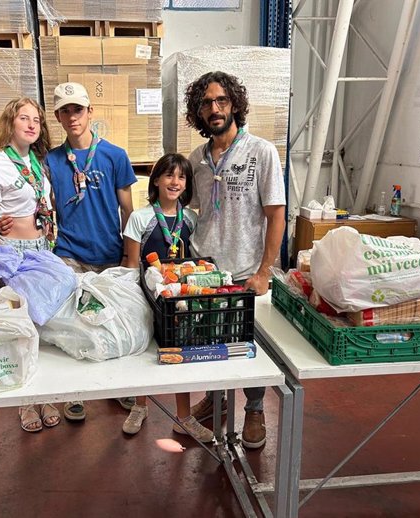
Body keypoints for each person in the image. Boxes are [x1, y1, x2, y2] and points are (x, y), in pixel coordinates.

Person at [0, 82, 138, 421]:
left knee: (114, 322)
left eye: (78, 109)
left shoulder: (115, 156)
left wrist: (128, 257)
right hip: (69, 255)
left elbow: (129, 211)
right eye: (65, 111)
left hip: (109, 254)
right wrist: (8, 220)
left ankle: (121, 388)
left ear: (90, 112)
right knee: (73, 328)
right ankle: (76, 393)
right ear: (57, 118)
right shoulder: (50, 162)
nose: (72, 116)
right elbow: (39, 204)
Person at [184, 71, 286, 449]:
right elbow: (191, 210)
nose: (214, 109)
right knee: (210, 339)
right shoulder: (196, 158)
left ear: (234, 105)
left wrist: (264, 272)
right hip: (206, 270)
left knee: (248, 344)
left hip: (245, 271)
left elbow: (276, 213)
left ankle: (255, 409)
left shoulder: (261, 152)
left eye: (221, 101)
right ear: (199, 112)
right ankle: (215, 400)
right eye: (206, 103)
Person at [0, 97, 61, 433]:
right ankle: (25, 403)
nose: (31, 125)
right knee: (18, 329)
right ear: (10, 123)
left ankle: (46, 394)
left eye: (36, 120)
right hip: (14, 252)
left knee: (41, 324)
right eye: (24, 118)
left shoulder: (38, 163)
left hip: (42, 248)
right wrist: (0, 263)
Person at [120, 153, 213, 443]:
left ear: (187, 184)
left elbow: (193, 260)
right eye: (169, 175)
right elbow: (132, 263)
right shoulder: (140, 218)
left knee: (179, 352)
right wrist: (133, 296)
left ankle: (183, 418)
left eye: (181, 177)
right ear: (157, 180)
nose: (175, 182)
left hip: (178, 297)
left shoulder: (191, 218)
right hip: (147, 294)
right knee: (142, 353)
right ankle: (139, 406)